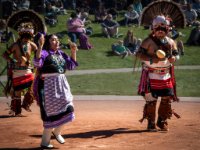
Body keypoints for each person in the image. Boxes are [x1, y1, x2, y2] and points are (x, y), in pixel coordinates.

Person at [136, 15, 180, 132]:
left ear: (167, 29)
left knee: (166, 99)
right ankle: (151, 123)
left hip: (165, 74)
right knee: (151, 100)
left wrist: (174, 58)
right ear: (153, 29)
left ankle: (161, 122)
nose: (160, 32)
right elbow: (138, 54)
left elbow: (176, 54)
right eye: (157, 29)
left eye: (163, 29)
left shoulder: (171, 42)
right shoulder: (148, 41)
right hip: (151, 74)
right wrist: (151, 60)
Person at [33, 34, 78, 149]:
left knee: (69, 108)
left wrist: (73, 51)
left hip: (62, 85)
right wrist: (40, 46)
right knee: (51, 114)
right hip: (48, 86)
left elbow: (71, 66)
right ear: (48, 42)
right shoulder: (44, 53)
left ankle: (57, 132)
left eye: (57, 40)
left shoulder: (61, 53)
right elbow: (37, 63)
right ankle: (45, 142)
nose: (56, 42)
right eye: (53, 40)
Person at [2, 22, 39, 116]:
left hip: (28, 70)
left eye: (29, 37)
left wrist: (35, 62)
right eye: (25, 37)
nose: (27, 39)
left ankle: (26, 104)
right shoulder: (15, 45)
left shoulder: (32, 45)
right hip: (17, 71)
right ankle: (17, 111)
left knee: (33, 87)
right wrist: (13, 61)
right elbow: (5, 55)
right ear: (22, 36)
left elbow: (39, 55)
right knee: (17, 92)